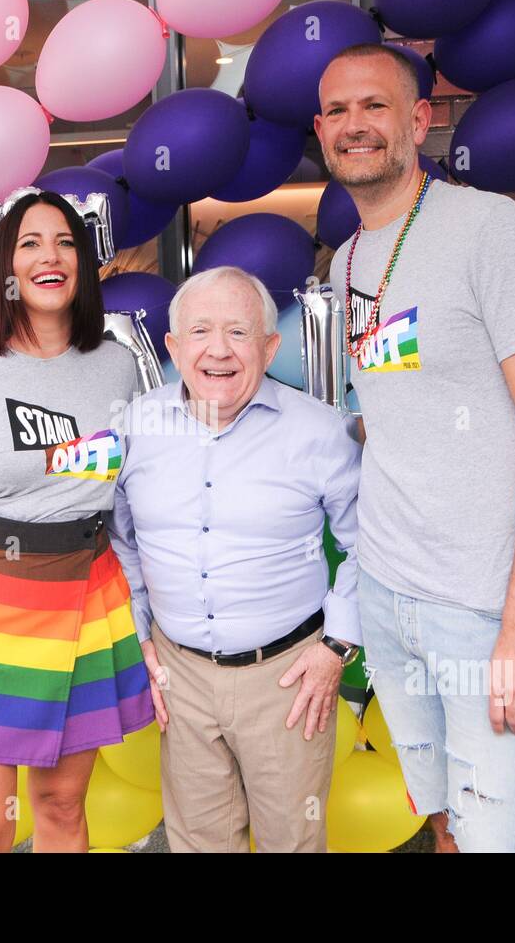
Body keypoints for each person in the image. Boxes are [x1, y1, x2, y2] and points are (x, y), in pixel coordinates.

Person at [314, 43, 515, 853]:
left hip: (485, 604)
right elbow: (394, 413)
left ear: (419, 120)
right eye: (337, 111)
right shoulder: (345, 262)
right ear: (320, 130)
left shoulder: (488, 229)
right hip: (392, 593)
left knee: (499, 831)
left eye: (374, 106)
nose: (354, 125)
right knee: (442, 820)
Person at [0, 190, 154, 853]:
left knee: (62, 807)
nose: (51, 256)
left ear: (84, 263)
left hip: (86, 597)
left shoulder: (118, 366)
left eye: (66, 242)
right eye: (31, 242)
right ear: (8, 269)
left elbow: (135, 500)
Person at [108, 265, 363, 853]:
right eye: (199, 332)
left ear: (271, 346)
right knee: (198, 843)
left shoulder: (321, 432)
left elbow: (368, 545)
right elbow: (122, 541)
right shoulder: (134, 428)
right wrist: (140, 634)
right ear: (173, 346)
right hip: (180, 675)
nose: (217, 351)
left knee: (292, 843)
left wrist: (336, 648)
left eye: (238, 334)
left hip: (287, 677)